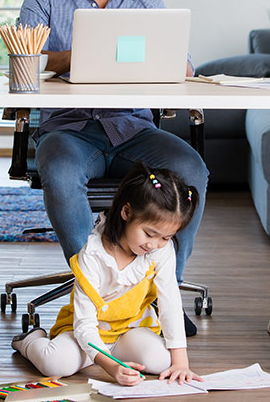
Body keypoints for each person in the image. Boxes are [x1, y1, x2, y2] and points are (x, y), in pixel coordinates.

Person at [17, 0, 208, 334]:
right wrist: (81, 54)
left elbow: (183, 68)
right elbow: (25, 60)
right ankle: (93, 293)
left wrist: (174, 63)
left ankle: (164, 295)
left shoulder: (146, 1)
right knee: (61, 173)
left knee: (191, 170)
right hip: (70, 130)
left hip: (133, 130)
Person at [12, 163, 203, 386]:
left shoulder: (160, 250)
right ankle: (29, 341)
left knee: (163, 361)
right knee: (55, 363)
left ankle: (116, 356)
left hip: (129, 330)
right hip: (87, 333)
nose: (155, 244)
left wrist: (181, 362)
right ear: (126, 212)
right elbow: (84, 325)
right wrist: (111, 367)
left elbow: (169, 299)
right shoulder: (92, 255)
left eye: (166, 237)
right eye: (150, 234)